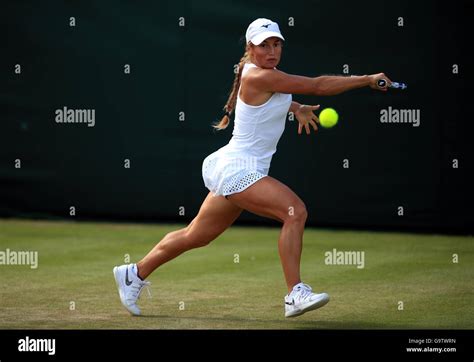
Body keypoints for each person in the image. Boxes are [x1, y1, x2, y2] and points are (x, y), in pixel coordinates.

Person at [113, 18, 392, 318]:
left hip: (235, 166)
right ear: (250, 48)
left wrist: (296, 108)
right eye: (264, 45)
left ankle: (134, 273)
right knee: (294, 211)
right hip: (239, 168)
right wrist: (365, 79)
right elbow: (318, 86)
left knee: (197, 234)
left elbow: (273, 100)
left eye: (276, 44)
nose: (272, 51)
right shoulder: (260, 76)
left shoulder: (261, 75)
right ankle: (295, 294)